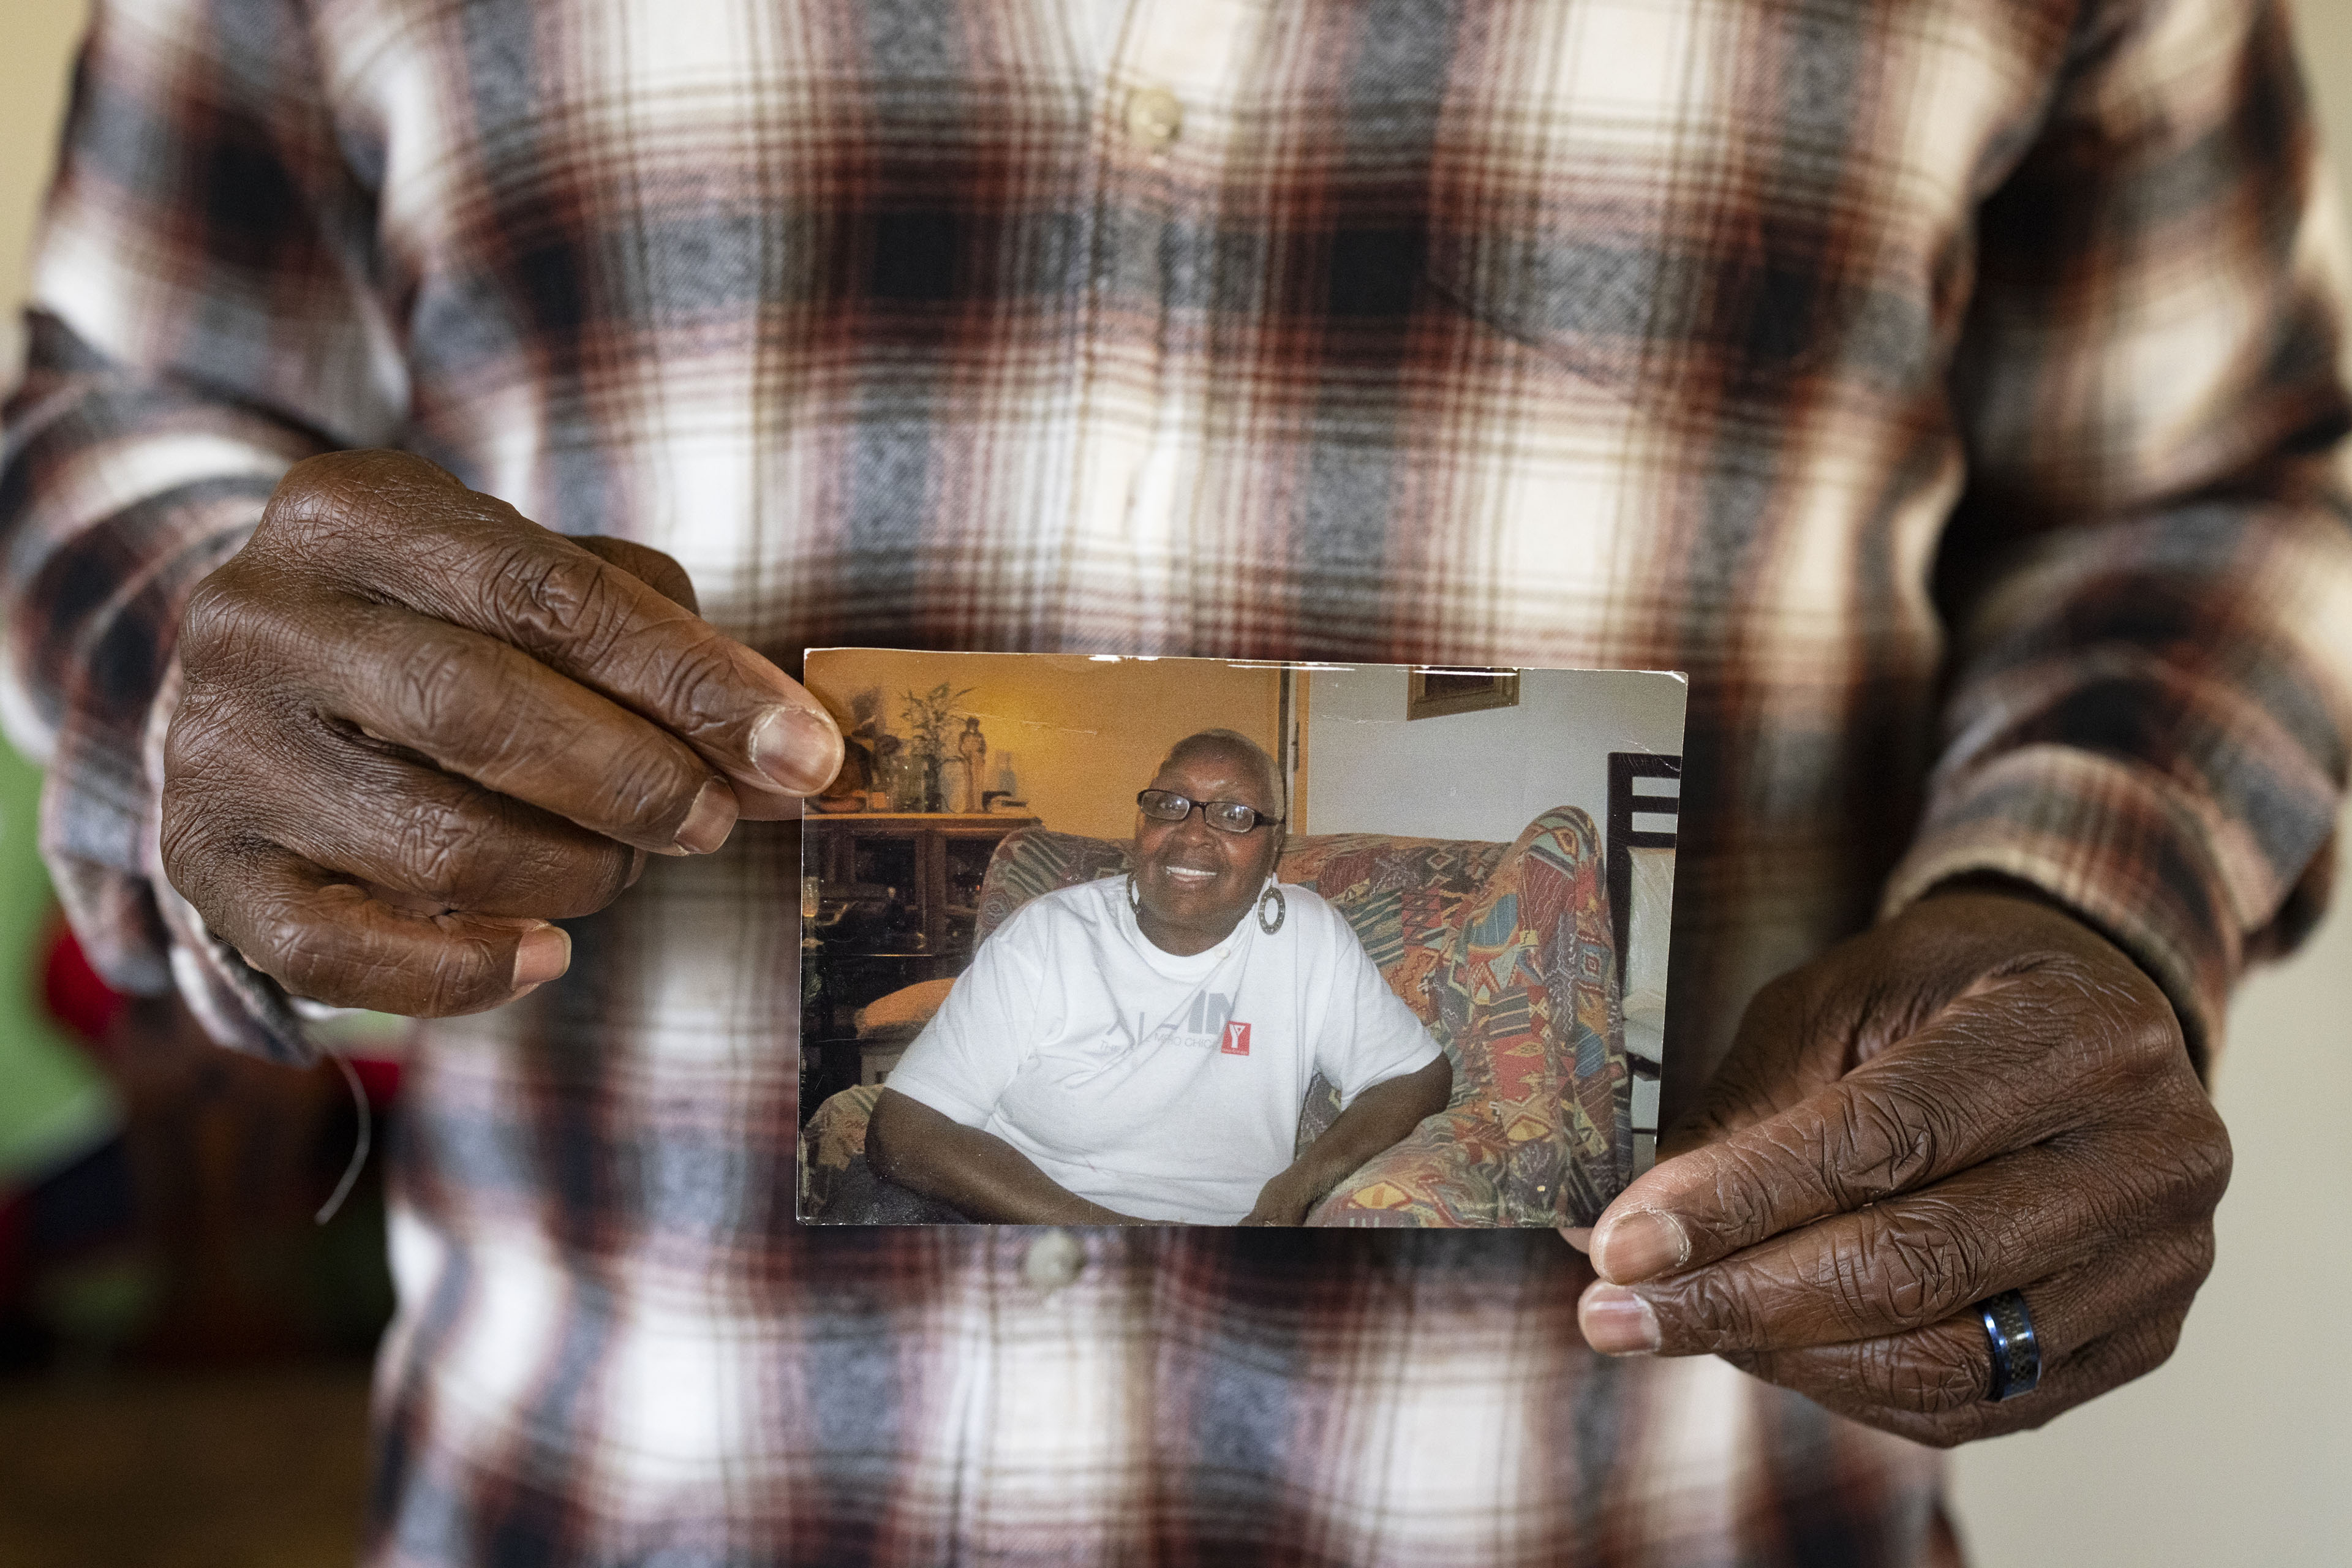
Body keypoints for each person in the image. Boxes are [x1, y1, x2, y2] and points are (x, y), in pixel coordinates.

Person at [3, 0, 2348, 1560]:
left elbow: (2214, 487)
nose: (1211, 835)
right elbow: (120, 398)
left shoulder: (1315, 937)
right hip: (598, 1497)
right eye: (1187, 811)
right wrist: (192, 660)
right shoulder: (1042, 946)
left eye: (1239, 813)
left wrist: (2078, 899)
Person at [868, 729, 1452, 1225]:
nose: (1192, 834)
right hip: (1027, 1218)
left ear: (1274, 845)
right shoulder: (1050, 932)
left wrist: (1297, 1187)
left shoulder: (1307, 936)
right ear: (1141, 822)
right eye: (1169, 804)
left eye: (1235, 815)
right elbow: (903, 1129)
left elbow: (1412, 1076)